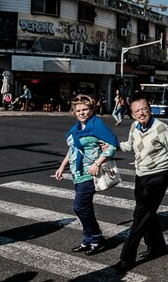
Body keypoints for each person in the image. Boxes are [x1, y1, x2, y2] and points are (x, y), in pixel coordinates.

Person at [111, 95, 168, 273]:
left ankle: (127, 258)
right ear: (132, 114)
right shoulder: (134, 126)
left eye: (144, 109)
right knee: (148, 214)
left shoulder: (161, 128)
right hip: (141, 175)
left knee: (140, 215)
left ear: (150, 109)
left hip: (158, 176)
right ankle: (158, 246)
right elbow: (129, 146)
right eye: (137, 111)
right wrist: (111, 144)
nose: (141, 113)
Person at [54, 94, 118, 255]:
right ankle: (89, 239)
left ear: (91, 110)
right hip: (77, 172)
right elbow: (73, 149)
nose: (82, 113)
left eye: (85, 109)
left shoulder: (97, 126)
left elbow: (111, 147)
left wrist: (97, 164)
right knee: (85, 207)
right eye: (78, 110)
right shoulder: (77, 129)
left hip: (91, 173)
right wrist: (62, 166)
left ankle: (96, 237)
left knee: (79, 206)